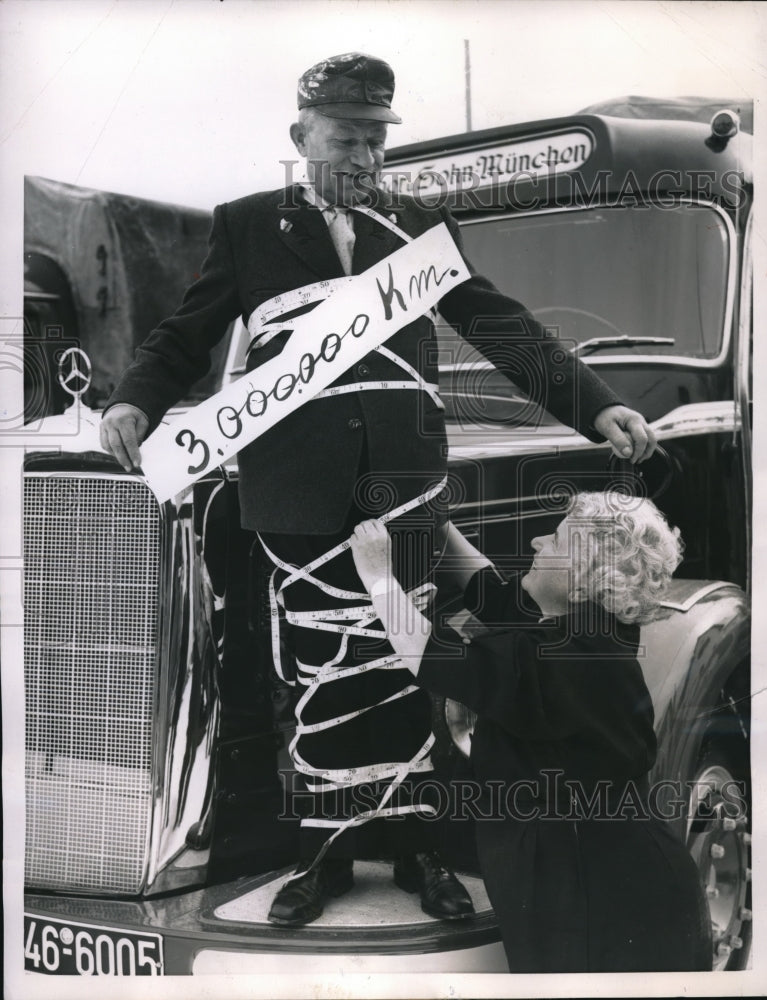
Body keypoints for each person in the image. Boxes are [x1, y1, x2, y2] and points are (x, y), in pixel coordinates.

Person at [99, 52, 658, 928]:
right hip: (295, 493)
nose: (363, 157)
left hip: (404, 490)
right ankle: (323, 853)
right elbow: (185, 332)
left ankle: (418, 848)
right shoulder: (246, 227)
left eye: (375, 139)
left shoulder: (421, 230)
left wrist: (595, 406)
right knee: (318, 674)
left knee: (408, 667)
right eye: (345, 138)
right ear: (300, 135)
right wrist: (135, 398)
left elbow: (499, 325)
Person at [349, 492, 713, 971]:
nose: (538, 541)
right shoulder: (593, 628)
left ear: (584, 581)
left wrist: (378, 577)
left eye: (556, 540)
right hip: (620, 881)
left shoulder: (562, 661)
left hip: (602, 907)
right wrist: (439, 522)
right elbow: (498, 597)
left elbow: (431, 656)